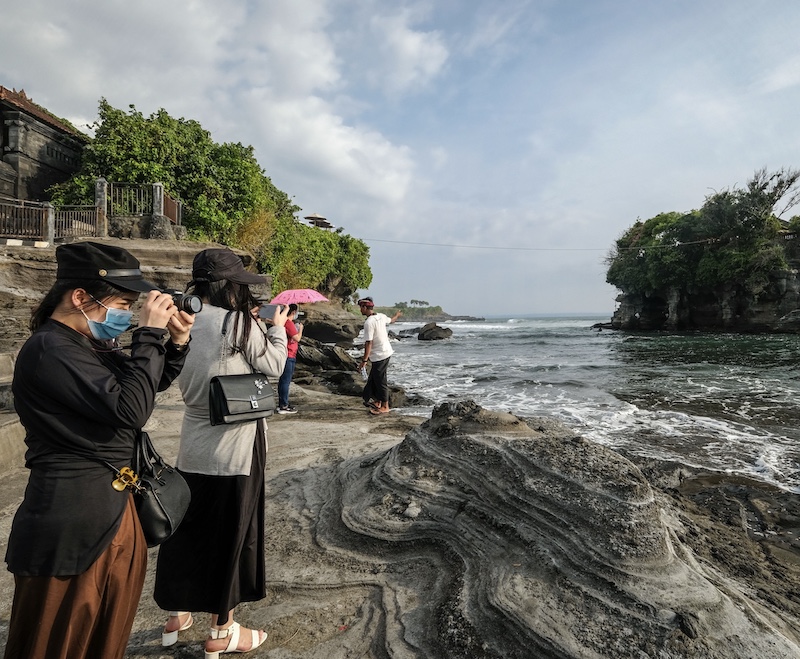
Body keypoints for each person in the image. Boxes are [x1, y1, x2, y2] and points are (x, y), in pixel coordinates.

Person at [3, 241, 194, 659]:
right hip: (71, 521)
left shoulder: (86, 343)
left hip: (111, 513)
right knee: (57, 643)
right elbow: (130, 410)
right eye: (123, 303)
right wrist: (147, 334)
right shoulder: (49, 349)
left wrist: (174, 345)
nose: (126, 313)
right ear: (80, 297)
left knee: (104, 641)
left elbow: (143, 385)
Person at [153, 248, 288, 658]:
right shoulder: (239, 322)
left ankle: (176, 616)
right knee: (232, 533)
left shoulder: (181, 318)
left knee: (189, 530)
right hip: (236, 445)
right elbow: (276, 366)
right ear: (230, 286)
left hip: (193, 441)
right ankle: (224, 630)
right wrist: (278, 328)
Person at [357, 297, 402, 415]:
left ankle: (385, 406)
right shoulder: (381, 316)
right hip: (386, 352)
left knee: (380, 380)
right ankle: (377, 401)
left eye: (361, 307)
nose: (360, 310)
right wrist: (397, 315)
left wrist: (364, 360)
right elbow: (391, 320)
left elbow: (368, 342)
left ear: (365, 308)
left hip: (380, 354)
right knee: (374, 378)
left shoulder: (369, 322)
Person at [277, 303, 303, 414]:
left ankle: (283, 403)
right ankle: (283, 405)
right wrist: (301, 329)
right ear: (294, 312)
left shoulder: (284, 322)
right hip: (289, 355)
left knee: (283, 380)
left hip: (286, 354)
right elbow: (297, 338)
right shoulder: (288, 323)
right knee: (285, 381)